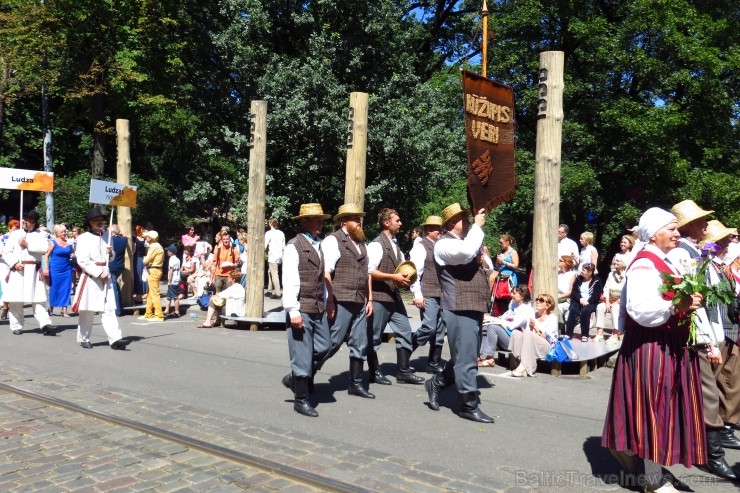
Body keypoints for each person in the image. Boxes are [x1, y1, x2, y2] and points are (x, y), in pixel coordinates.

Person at [602, 207, 707, 492]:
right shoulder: (644, 264)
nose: (677, 232)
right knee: (652, 410)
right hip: (651, 346)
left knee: (664, 410)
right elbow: (639, 309)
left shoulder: (665, 260)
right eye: (671, 228)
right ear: (653, 233)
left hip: (668, 343)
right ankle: (651, 478)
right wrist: (676, 306)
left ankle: (648, 465)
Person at [667, 200, 737, 481]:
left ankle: (704, 452)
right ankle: (711, 456)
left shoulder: (696, 253)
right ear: (688, 226)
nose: (707, 225)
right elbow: (695, 302)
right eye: (701, 221)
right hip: (694, 335)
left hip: (705, 333)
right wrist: (708, 341)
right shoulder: (684, 254)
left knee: (702, 394)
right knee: (707, 395)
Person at [425, 203, 495, 423]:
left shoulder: (468, 242)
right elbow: (465, 253)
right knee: (465, 359)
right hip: (458, 306)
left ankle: (437, 382)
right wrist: (477, 227)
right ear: (453, 222)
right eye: (465, 218)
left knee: (465, 356)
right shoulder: (442, 244)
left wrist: (480, 252)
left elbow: (489, 267)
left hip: (473, 305)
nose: (469, 221)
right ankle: (468, 405)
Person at [313, 203, 375, 399]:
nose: (358, 221)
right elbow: (326, 273)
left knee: (360, 343)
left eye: (359, 218)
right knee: (332, 342)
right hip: (340, 299)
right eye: (354, 218)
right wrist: (329, 300)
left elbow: (366, 274)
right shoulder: (333, 241)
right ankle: (303, 375)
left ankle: (355, 384)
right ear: (343, 222)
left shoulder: (361, 243)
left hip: (359, 300)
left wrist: (369, 298)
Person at [281, 203, 332, 417]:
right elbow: (290, 279)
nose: (321, 223)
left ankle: (294, 378)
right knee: (301, 355)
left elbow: (322, 279)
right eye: (316, 220)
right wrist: (293, 310)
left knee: (325, 346)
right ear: (304, 222)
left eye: (321, 219)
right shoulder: (294, 246)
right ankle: (301, 399)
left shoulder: (319, 245)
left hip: (318, 305)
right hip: (301, 306)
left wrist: (328, 300)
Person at [367, 208, 424, 385]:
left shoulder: (395, 244)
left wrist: (403, 280)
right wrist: (393, 277)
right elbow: (370, 271)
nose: (400, 223)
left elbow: (398, 270)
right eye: (397, 220)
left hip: (394, 297)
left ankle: (403, 371)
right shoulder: (376, 244)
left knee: (405, 331)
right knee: (374, 336)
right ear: (386, 223)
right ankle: (374, 372)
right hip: (379, 297)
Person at [71, 208, 126, 350]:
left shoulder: (108, 236)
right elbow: (82, 260)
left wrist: (111, 252)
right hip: (90, 276)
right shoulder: (83, 238)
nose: (99, 222)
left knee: (108, 309)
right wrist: (97, 272)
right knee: (87, 310)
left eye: (101, 220)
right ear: (90, 222)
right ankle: (84, 338)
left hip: (105, 275)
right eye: (96, 220)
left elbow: (111, 257)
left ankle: (115, 339)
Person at [2, 211, 54, 335]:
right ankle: (16, 326)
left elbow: (44, 248)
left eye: (29, 220)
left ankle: (45, 324)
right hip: (18, 269)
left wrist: (27, 244)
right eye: (24, 219)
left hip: (34, 270)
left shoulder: (41, 234)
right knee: (16, 300)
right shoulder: (15, 234)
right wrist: (14, 263)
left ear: (34, 223)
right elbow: (6, 252)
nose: (25, 222)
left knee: (38, 299)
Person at [409, 215, 446, 374]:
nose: (441, 231)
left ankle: (434, 362)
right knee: (429, 327)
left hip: (443, 294)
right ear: (429, 230)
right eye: (438, 229)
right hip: (428, 293)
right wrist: (417, 294)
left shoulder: (441, 246)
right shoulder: (421, 246)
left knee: (439, 330)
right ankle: (405, 350)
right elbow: (414, 273)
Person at [478, 285, 533, 367]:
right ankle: (481, 355)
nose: (511, 295)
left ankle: (490, 358)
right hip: (508, 336)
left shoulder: (526, 309)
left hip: (517, 341)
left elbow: (512, 325)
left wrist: (495, 321)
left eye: (514, 293)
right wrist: (490, 319)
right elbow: (503, 318)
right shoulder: (514, 305)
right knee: (486, 326)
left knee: (493, 327)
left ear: (522, 296)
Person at [509, 293, 558, 377]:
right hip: (531, 344)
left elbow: (548, 337)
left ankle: (524, 366)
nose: (538, 302)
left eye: (541, 300)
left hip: (546, 346)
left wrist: (535, 327)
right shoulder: (533, 315)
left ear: (548, 305)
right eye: (537, 300)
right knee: (516, 333)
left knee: (528, 333)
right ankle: (519, 360)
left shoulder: (552, 318)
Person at [564, 263, 602, 342]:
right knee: (573, 310)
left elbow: (596, 295)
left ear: (590, 272)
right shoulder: (578, 279)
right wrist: (580, 299)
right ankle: (568, 333)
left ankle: (585, 334)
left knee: (585, 311)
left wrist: (588, 302)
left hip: (590, 302)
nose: (581, 271)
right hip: (578, 300)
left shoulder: (597, 281)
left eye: (584, 270)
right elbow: (575, 290)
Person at [43, 224, 75, 317]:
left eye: (65, 231)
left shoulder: (69, 243)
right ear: (57, 233)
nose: (65, 233)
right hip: (55, 268)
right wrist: (46, 268)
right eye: (62, 231)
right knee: (54, 288)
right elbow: (46, 255)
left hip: (67, 269)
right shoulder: (53, 242)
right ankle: (51, 308)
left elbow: (73, 255)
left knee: (66, 288)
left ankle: (64, 310)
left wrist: (73, 257)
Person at [594, 254, 627, 344]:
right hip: (610, 299)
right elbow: (606, 289)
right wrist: (607, 303)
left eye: (618, 261)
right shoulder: (611, 274)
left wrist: (615, 303)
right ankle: (599, 334)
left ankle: (615, 335)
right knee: (600, 307)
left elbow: (626, 293)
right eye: (615, 261)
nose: (616, 262)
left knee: (616, 309)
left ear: (624, 264)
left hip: (621, 300)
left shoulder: (627, 275)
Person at [140, 230, 164, 322]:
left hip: (154, 270)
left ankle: (159, 315)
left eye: (147, 237)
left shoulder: (154, 247)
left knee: (154, 293)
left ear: (151, 238)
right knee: (150, 293)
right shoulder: (157, 246)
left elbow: (145, 261)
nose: (146, 238)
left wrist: (146, 260)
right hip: (155, 269)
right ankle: (148, 314)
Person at [106, 224, 128, 317]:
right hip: (120, 265)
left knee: (113, 287)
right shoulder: (124, 239)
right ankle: (120, 306)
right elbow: (125, 235)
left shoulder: (110, 241)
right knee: (116, 286)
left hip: (112, 265)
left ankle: (117, 310)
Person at [0, 218, 20, 320]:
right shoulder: (3, 238)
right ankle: (5, 307)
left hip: (16, 265)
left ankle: (12, 308)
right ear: (9, 228)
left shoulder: (20, 238)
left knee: (15, 287)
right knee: (6, 287)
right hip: (4, 265)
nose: (16, 230)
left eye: (18, 228)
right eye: (15, 228)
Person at [264, 217, 285, 298]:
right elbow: (284, 246)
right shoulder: (281, 233)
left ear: (270, 223)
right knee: (270, 272)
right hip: (280, 256)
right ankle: (269, 290)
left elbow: (264, 245)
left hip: (273, 256)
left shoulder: (269, 233)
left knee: (274, 274)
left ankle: (277, 293)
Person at [556, 255, 577, 326]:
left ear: (566, 263)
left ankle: (560, 327)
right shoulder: (558, 274)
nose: (558, 261)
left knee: (557, 308)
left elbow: (570, 292)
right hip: (556, 297)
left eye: (560, 260)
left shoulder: (572, 274)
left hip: (566, 299)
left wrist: (559, 297)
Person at [163, 245, 181, 318]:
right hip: (177, 279)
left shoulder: (171, 259)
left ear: (171, 252)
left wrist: (169, 280)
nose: (167, 252)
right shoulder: (177, 259)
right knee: (169, 296)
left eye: (168, 251)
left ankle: (177, 311)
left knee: (175, 296)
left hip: (173, 280)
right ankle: (166, 310)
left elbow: (171, 271)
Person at [132, 225, 148, 303]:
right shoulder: (145, 240)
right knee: (144, 275)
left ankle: (139, 294)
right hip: (143, 258)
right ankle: (144, 292)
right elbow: (146, 250)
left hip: (137, 258)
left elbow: (133, 250)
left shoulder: (135, 239)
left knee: (138, 275)